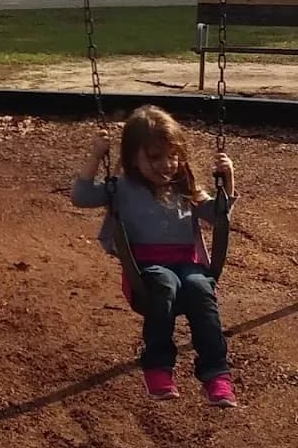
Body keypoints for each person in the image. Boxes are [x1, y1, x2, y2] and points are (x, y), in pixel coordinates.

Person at [72, 104, 237, 407]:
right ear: (133, 158)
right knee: (164, 283)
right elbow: (81, 197)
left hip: (188, 263)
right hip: (146, 268)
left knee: (201, 288)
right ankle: (158, 368)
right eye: (155, 157)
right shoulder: (120, 188)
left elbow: (219, 216)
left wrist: (228, 180)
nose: (167, 164)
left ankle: (217, 375)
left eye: (173, 155)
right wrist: (96, 156)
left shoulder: (185, 188)